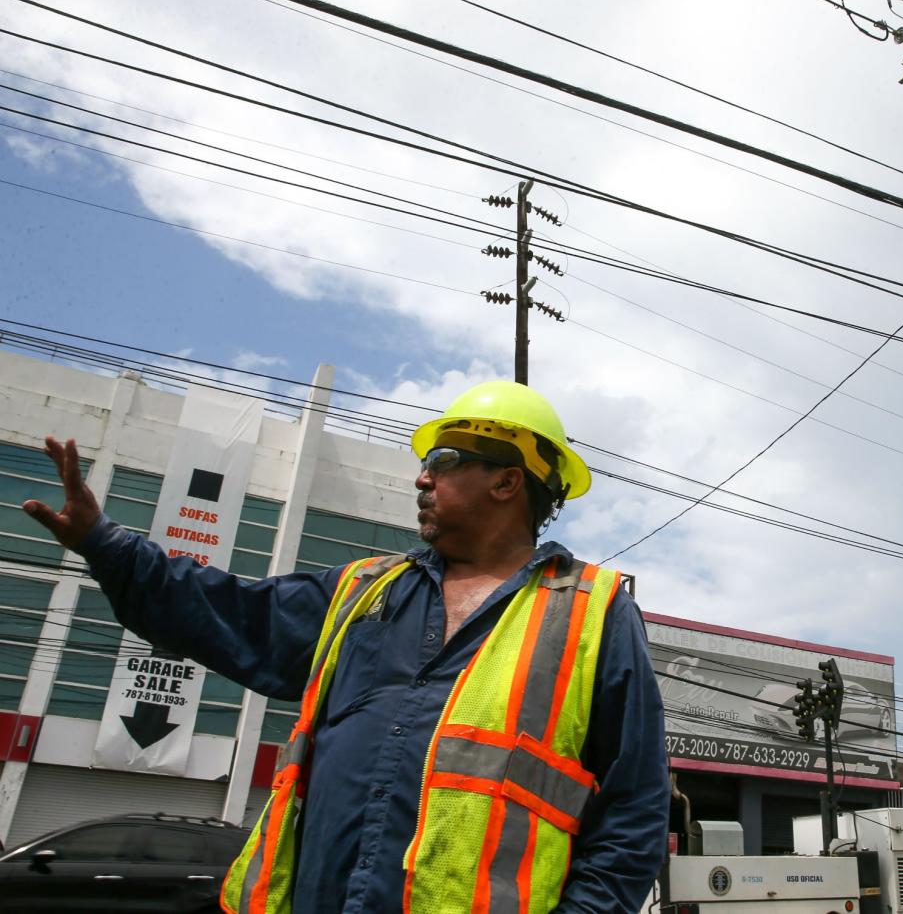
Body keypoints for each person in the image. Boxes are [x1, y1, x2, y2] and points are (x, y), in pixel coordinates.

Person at [24, 380, 670, 914]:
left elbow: (634, 813)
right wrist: (106, 545)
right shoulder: (362, 594)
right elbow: (228, 612)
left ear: (507, 482)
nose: (421, 478)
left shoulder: (590, 613)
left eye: (443, 462)